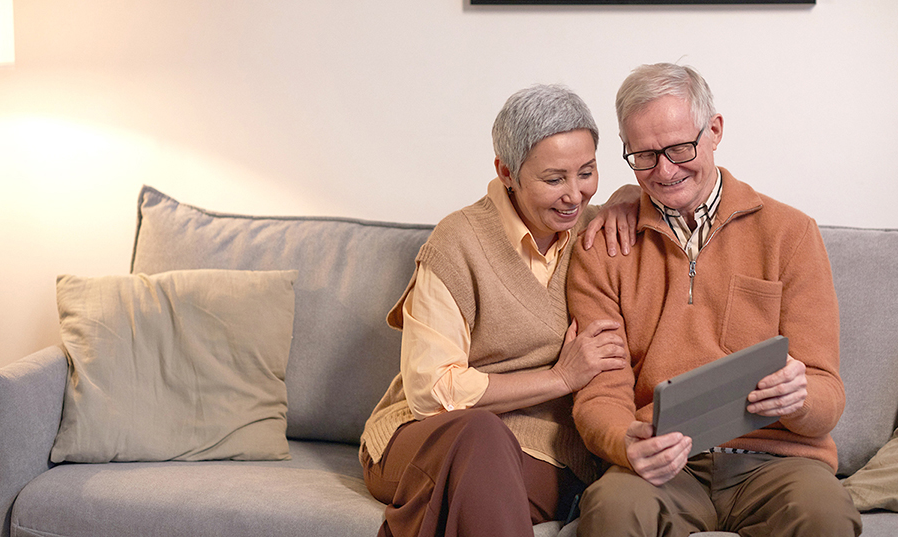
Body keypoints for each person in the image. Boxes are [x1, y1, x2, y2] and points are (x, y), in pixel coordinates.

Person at [567, 63, 863, 537]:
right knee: (611, 508)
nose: (664, 170)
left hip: (775, 463)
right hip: (665, 465)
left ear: (715, 131)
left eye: (680, 148)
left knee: (827, 516)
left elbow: (827, 391)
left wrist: (800, 398)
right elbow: (601, 390)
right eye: (643, 155)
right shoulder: (604, 247)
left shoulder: (790, 233)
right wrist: (626, 442)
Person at [359, 84, 639, 537]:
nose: (575, 194)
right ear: (506, 172)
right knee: (481, 434)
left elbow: (670, 195)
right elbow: (432, 391)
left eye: (586, 172)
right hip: (425, 439)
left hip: (545, 454)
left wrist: (631, 196)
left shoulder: (599, 231)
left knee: (482, 475)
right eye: (554, 179)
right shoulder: (457, 243)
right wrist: (560, 379)